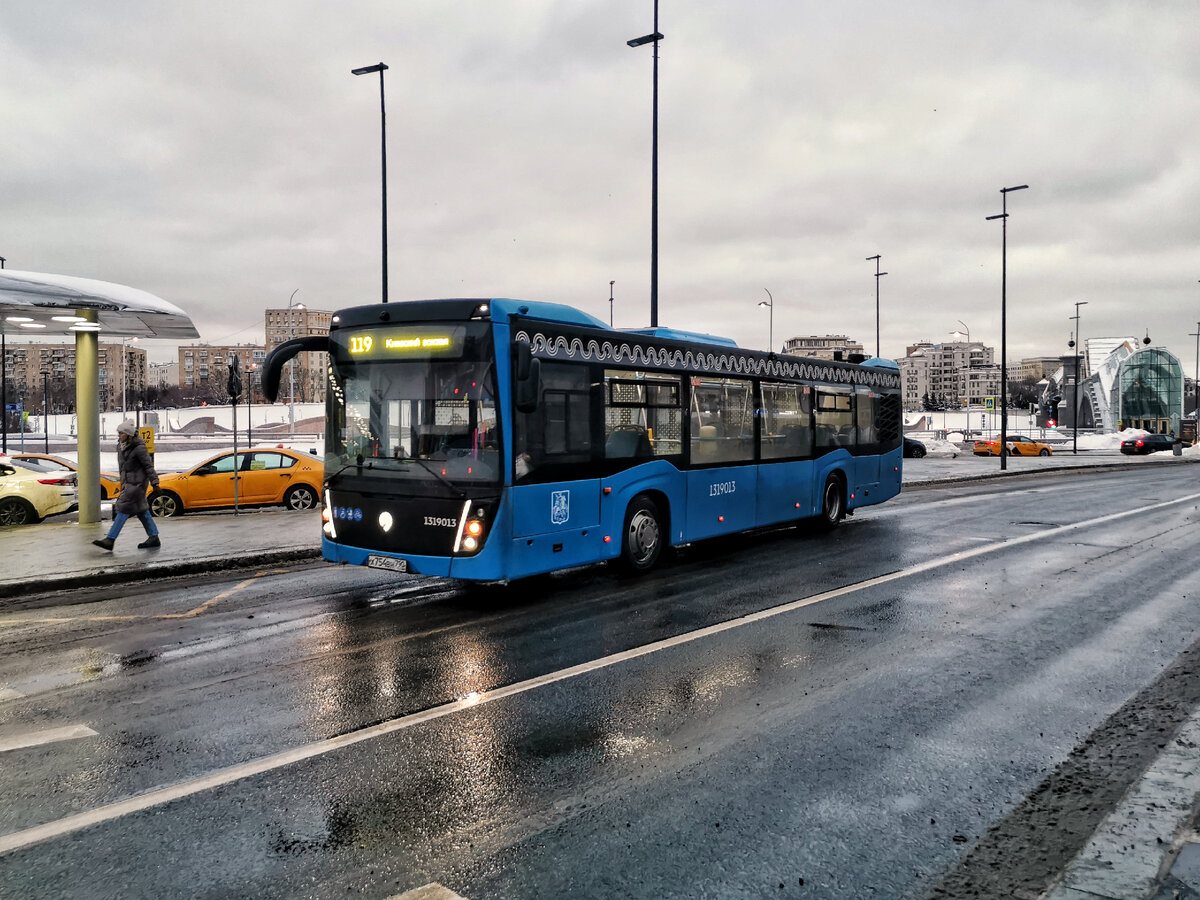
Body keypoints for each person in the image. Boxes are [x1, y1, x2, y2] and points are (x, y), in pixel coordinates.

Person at [92, 421, 161, 551]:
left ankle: (110, 539)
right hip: (128, 483)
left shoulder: (139, 448)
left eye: (121, 433)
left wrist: (155, 482)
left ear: (128, 435)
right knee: (141, 510)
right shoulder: (121, 446)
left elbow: (148, 466)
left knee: (123, 508)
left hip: (137, 484)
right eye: (119, 433)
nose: (119, 436)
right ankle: (154, 537)